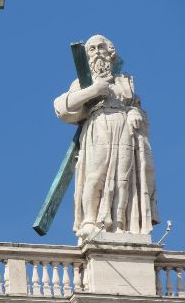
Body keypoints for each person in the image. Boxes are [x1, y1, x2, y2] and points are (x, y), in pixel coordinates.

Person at [54, 34, 158, 240]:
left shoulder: (124, 81)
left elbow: (134, 105)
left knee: (123, 177)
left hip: (124, 129)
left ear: (111, 53)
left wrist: (135, 112)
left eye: (101, 48)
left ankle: (121, 223)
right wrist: (93, 90)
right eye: (91, 49)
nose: (96, 53)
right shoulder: (84, 82)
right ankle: (90, 221)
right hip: (99, 125)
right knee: (95, 174)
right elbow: (61, 107)